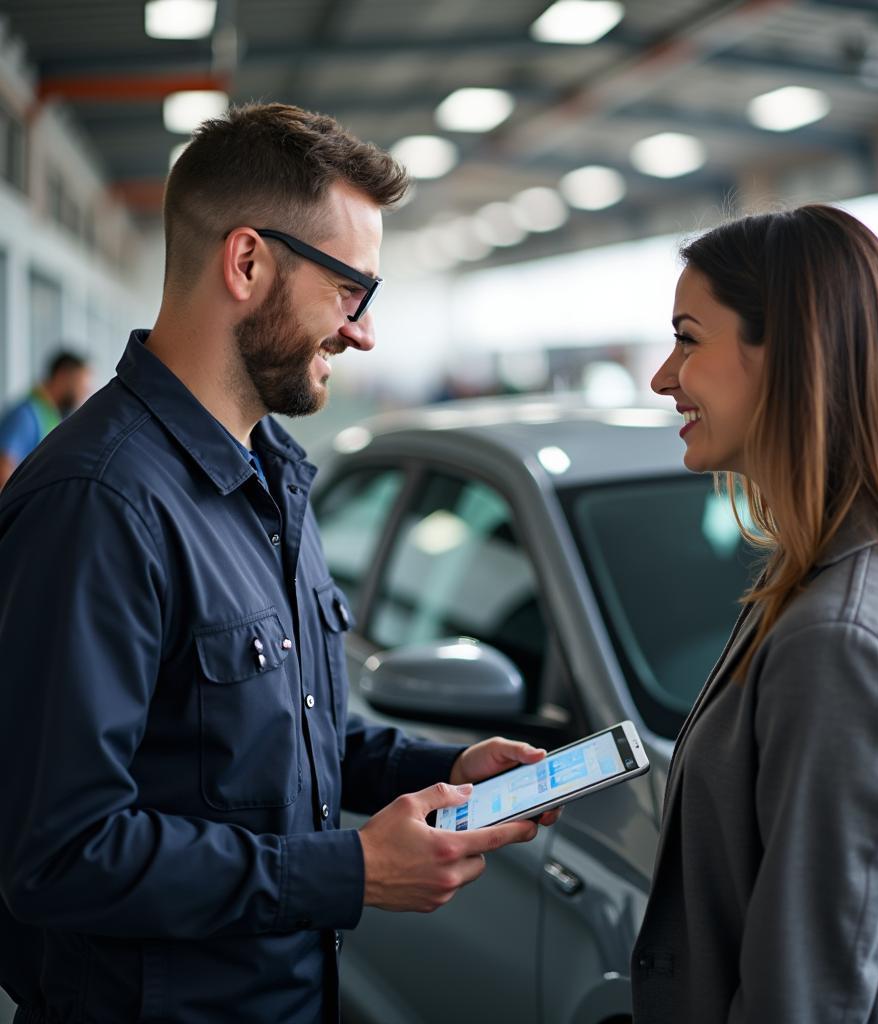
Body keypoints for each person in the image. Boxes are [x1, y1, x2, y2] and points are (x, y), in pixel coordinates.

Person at [0, 103, 557, 1024]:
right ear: (248, 262)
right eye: (352, 291)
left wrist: (446, 761)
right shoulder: (99, 505)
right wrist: (351, 869)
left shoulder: (272, 478)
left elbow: (267, 741)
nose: (365, 332)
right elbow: (55, 853)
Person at [636, 205, 878, 1023]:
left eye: (689, 338)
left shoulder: (841, 634)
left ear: (790, 356)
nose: (664, 376)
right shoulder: (825, 581)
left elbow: (804, 999)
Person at [0, 349, 91, 489]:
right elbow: (3, 468)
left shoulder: (48, 415)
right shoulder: (26, 415)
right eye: (80, 385)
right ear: (63, 377)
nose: (83, 394)